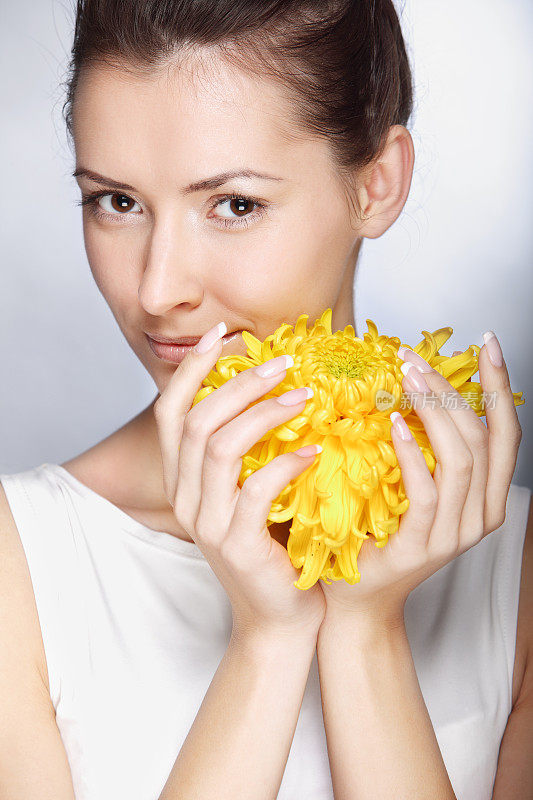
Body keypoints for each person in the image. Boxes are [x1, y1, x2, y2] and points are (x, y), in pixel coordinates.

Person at [0, 1, 531, 798]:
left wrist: (363, 633)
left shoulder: (514, 568)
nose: (157, 290)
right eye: (116, 202)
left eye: (235, 205)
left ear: (375, 186)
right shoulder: (22, 565)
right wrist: (269, 644)